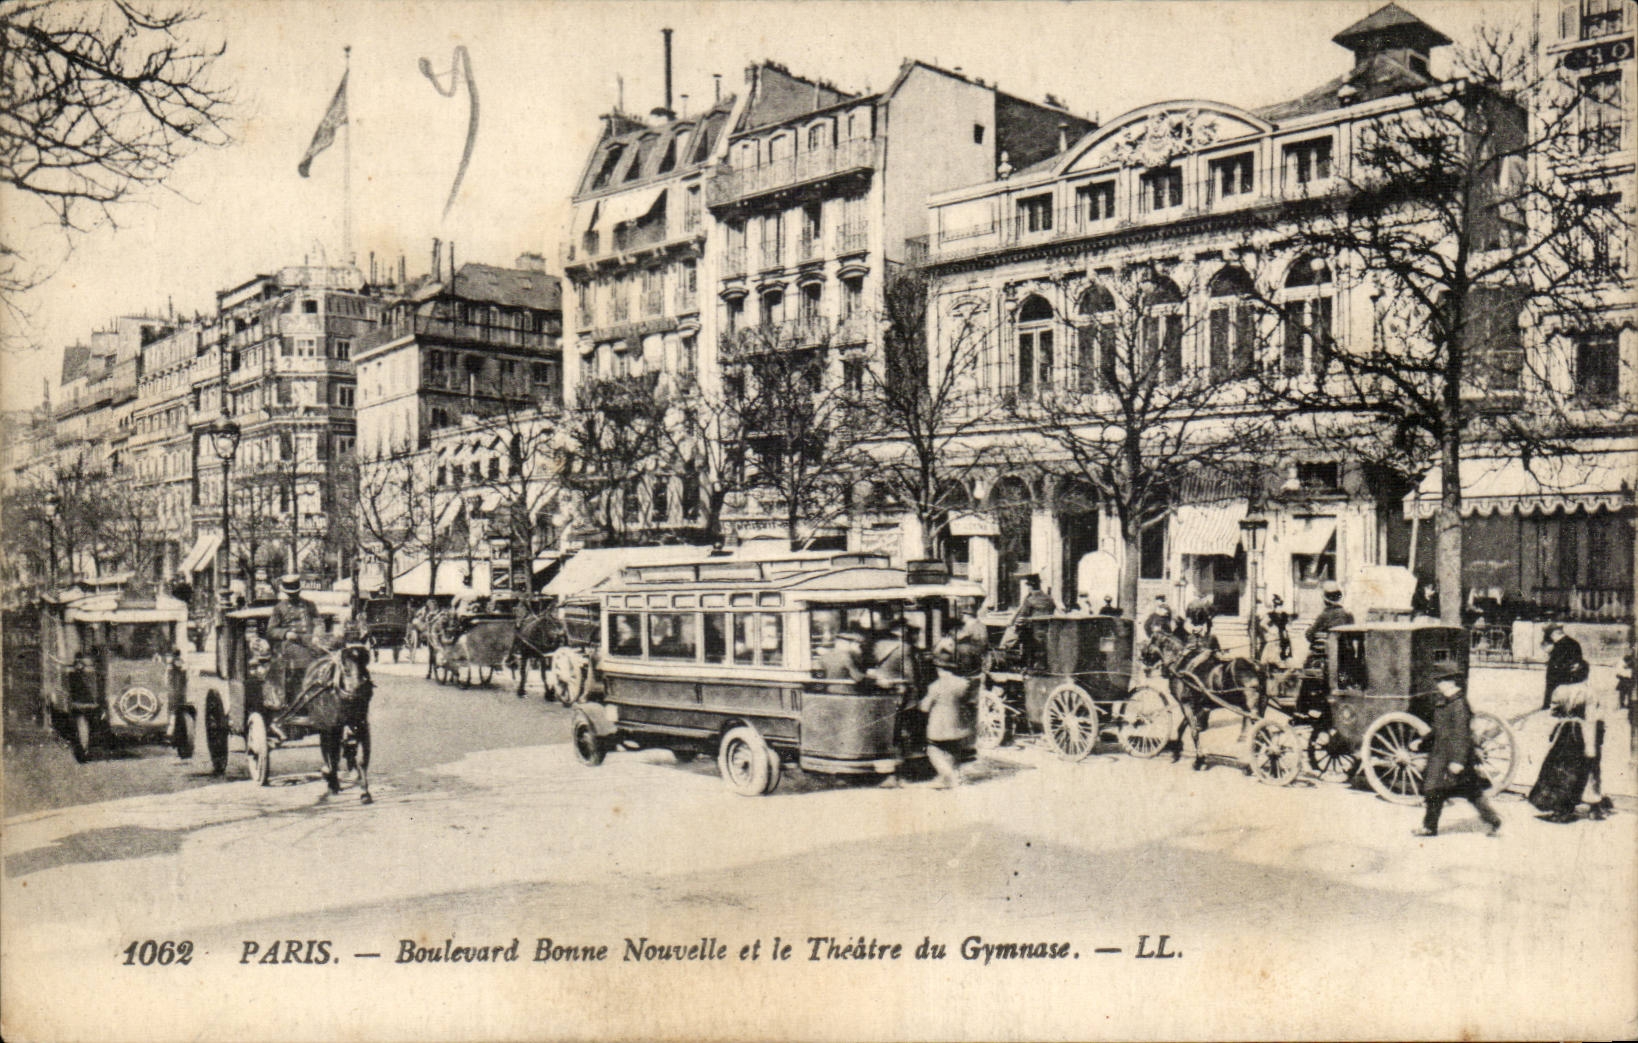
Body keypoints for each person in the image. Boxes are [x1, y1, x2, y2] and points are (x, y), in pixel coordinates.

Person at [1414, 662, 1502, 838]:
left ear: (1450, 682)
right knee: (1440, 790)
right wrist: (1421, 741)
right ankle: (1430, 827)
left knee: (1454, 791)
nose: (1438, 685)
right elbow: (1439, 729)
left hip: (1453, 757)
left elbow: (1462, 735)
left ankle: (1493, 820)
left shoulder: (1459, 705)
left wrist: (1458, 761)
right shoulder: (1445, 703)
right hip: (1442, 754)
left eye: (1440, 681)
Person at [1529, 655, 1609, 823]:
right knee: (1589, 768)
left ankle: (1561, 807)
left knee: (1560, 769)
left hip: (1565, 732)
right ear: (1586, 674)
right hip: (1583, 733)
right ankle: (1594, 805)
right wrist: (1590, 746)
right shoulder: (1589, 693)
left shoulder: (1560, 690)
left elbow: (1554, 712)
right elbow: (1590, 718)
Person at [919, 640, 976, 789]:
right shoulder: (963, 683)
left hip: (939, 728)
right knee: (952, 750)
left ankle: (947, 775)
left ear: (938, 668)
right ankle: (951, 776)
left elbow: (925, 708)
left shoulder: (934, 686)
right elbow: (968, 701)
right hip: (958, 725)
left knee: (932, 750)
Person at [266, 573, 320, 706]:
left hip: (311, 642)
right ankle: (296, 700)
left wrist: (317, 635)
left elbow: (319, 622)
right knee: (302, 659)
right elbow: (271, 631)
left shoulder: (309, 605)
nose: (293, 595)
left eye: (295, 592)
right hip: (290, 645)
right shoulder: (279, 608)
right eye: (290, 593)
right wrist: (286, 633)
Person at [1304, 581, 1353, 666]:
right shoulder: (1348, 615)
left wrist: (1309, 629)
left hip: (1329, 655)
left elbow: (1309, 635)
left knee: (1309, 662)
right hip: (1346, 654)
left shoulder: (1325, 615)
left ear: (1325, 600)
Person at [1541, 623, 1586, 711]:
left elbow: (1555, 671)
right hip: (1573, 688)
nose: (1551, 639)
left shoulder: (1560, 645)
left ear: (1554, 634)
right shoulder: (1574, 643)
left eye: (1550, 636)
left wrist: (1547, 703)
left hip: (1559, 692)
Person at [1264, 594, 1294, 661]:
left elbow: (1289, 624)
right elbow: (1263, 624)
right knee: (1274, 652)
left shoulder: (1284, 614)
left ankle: (1283, 662)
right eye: (1277, 606)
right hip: (1275, 635)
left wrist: (1288, 629)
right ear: (1275, 606)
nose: (1279, 607)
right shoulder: (1271, 614)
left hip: (1283, 634)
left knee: (1285, 649)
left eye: (1280, 605)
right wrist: (1270, 630)